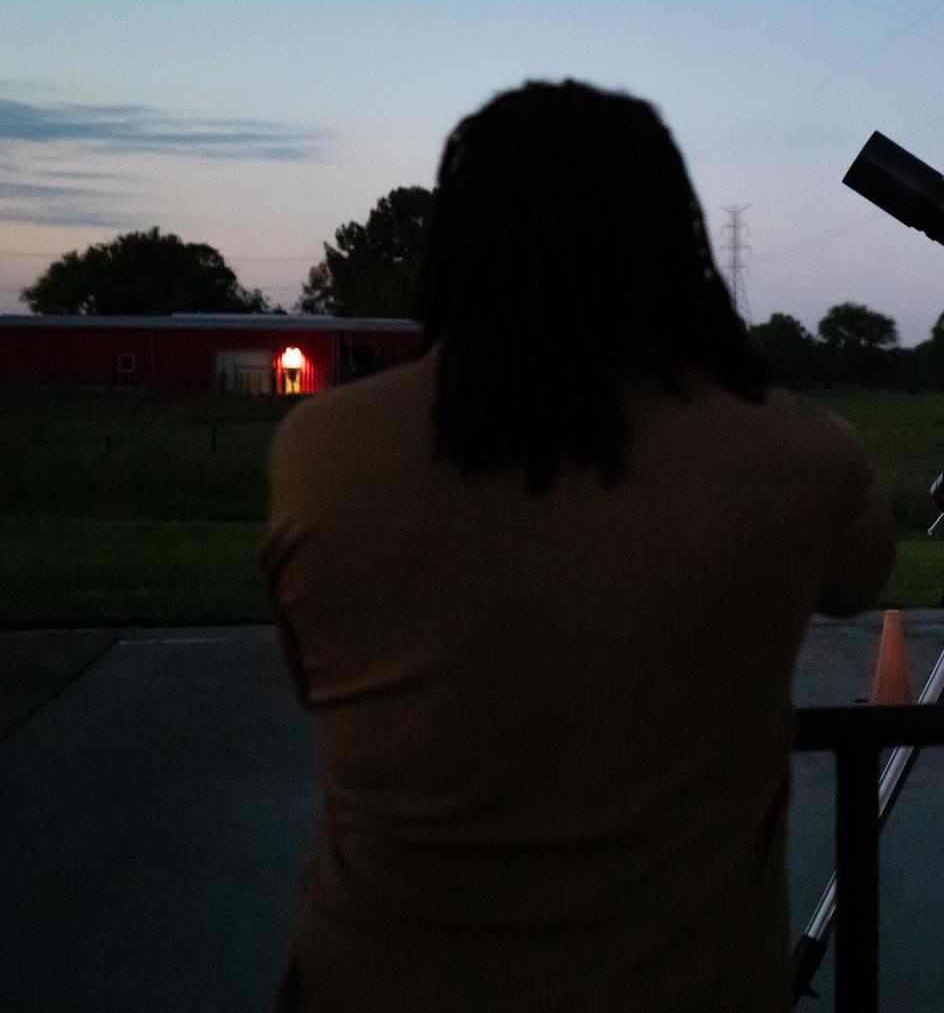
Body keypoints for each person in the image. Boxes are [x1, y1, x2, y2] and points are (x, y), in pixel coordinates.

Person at [262, 80, 895, 1012]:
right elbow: (860, 574)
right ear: (669, 241)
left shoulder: (320, 447)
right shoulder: (797, 451)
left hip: (369, 978)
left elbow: (314, 675)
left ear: (461, 241)